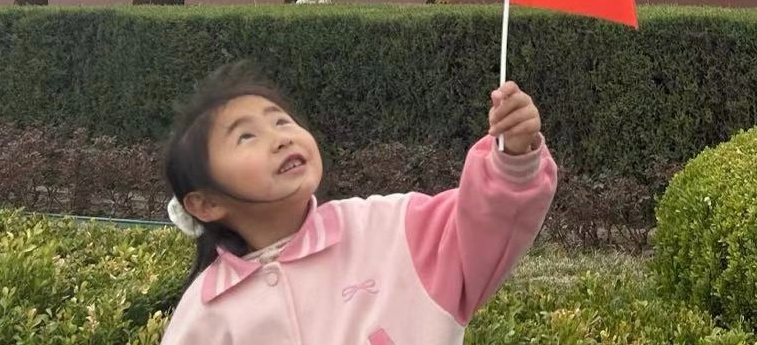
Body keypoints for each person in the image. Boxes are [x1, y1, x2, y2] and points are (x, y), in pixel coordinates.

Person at [159, 60, 557, 344]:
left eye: (281, 121)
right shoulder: (206, 313)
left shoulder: (392, 230)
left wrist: (512, 157)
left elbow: (483, 225)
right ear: (205, 204)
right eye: (246, 136)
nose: (280, 138)